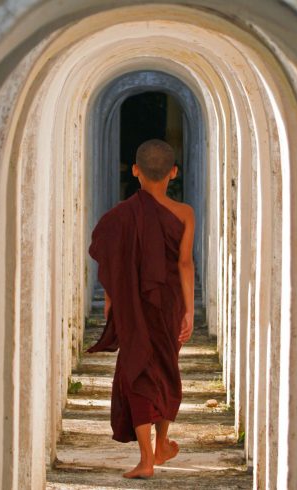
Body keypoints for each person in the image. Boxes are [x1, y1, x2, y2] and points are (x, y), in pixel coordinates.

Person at [86, 139, 196, 479]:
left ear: (135, 171)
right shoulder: (185, 213)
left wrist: (111, 302)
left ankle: (149, 457)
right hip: (171, 304)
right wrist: (189, 311)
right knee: (164, 369)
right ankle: (160, 443)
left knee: (137, 372)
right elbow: (185, 264)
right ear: (173, 173)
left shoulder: (120, 216)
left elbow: (113, 265)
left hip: (135, 304)